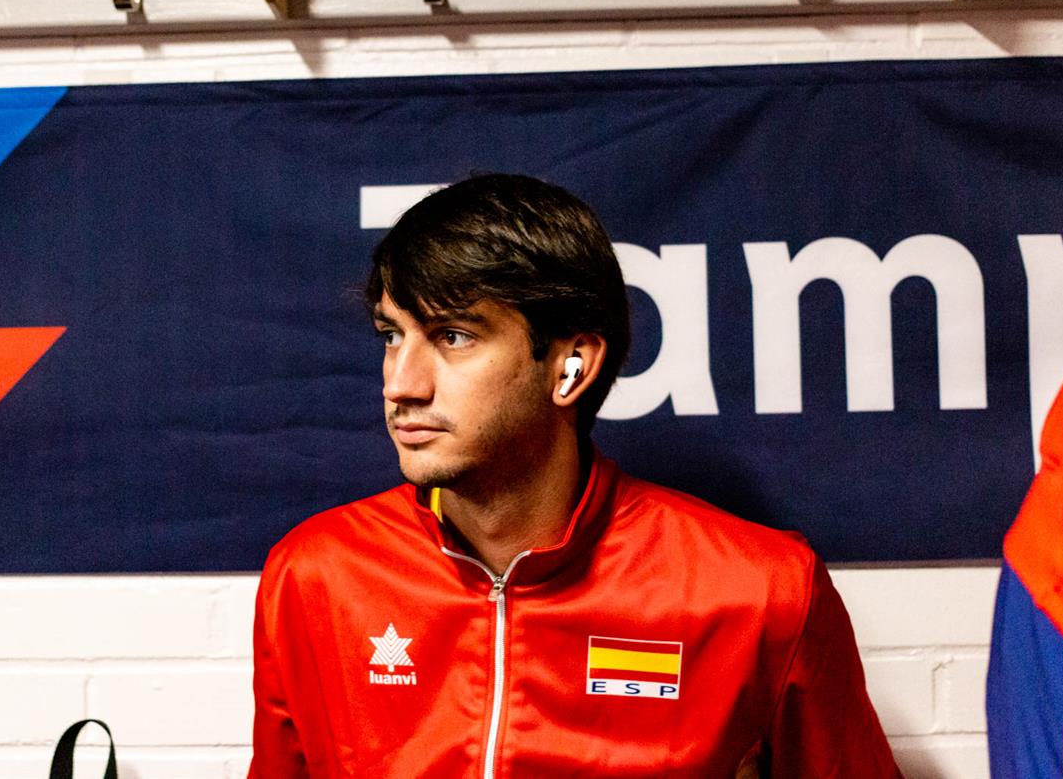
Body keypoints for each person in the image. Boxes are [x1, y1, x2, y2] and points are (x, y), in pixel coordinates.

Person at [249, 174, 901, 778]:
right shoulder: (315, 578)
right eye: (392, 335)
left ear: (571, 367)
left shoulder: (761, 592)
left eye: (453, 336)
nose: (401, 383)